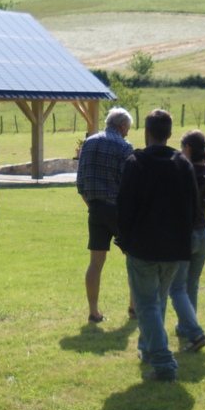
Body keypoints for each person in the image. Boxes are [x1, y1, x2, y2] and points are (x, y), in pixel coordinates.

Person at [117, 109, 200, 382]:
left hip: (144, 246)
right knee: (157, 302)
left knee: (147, 305)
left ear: (147, 132)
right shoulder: (183, 164)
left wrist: (124, 239)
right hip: (174, 248)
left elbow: (125, 207)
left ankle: (164, 364)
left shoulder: (136, 163)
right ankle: (147, 349)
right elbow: (193, 208)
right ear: (170, 134)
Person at [76, 107, 134, 324]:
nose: (127, 133)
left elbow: (80, 182)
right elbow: (129, 183)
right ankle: (133, 308)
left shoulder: (89, 142)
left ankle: (93, 311)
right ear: (121, 126)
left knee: (95, 263)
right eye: (127, 128)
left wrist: (91, 205)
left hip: (95, 208)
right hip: (118, 210)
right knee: (134, 258)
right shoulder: (124, 146)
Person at [165, 130, 205, 353]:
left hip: (184, 235)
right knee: (191, 285)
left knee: (176, 288)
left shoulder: (181, 171)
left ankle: (194, 330)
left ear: (187, 148)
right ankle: (186, 326)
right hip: (204, 233)